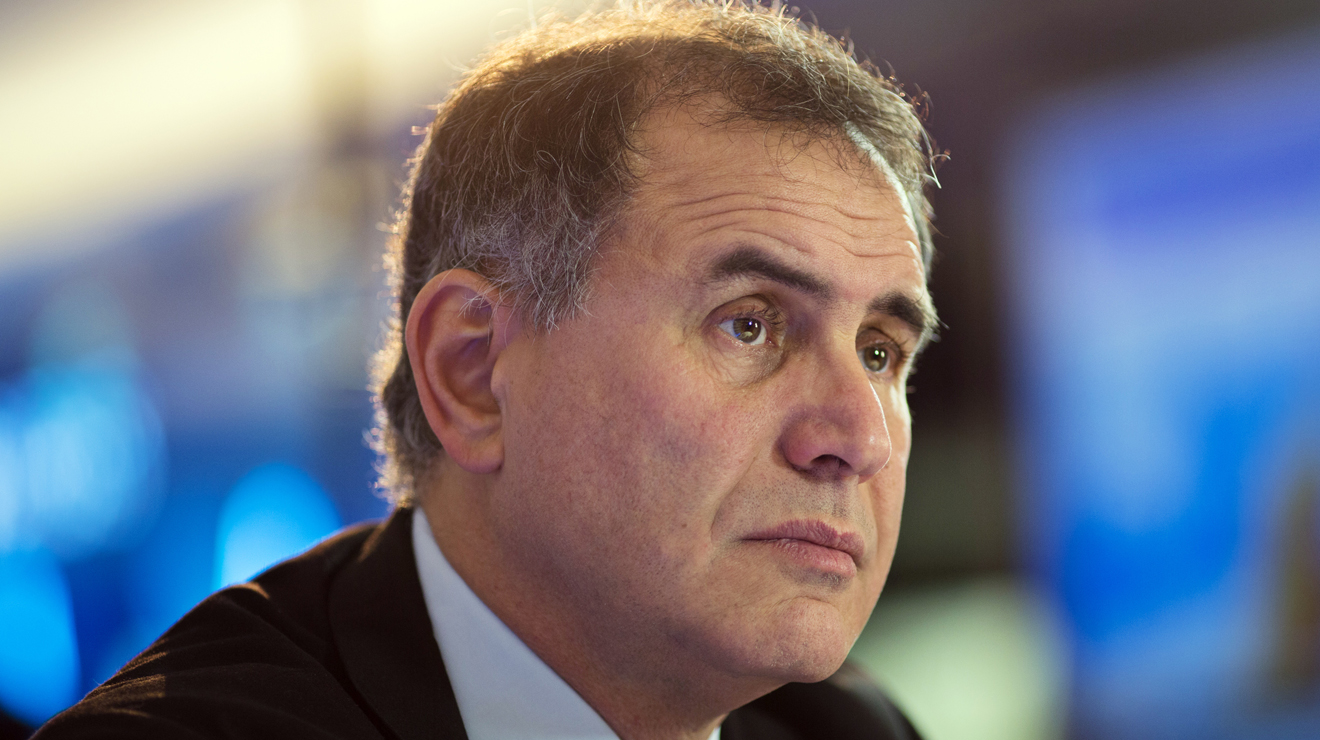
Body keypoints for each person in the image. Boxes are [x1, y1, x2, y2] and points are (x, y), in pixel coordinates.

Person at [37, 1, 939, 738]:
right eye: (749, 325)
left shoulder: (845, 727)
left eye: (879, 352)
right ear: (472, 371)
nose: (859, 437)